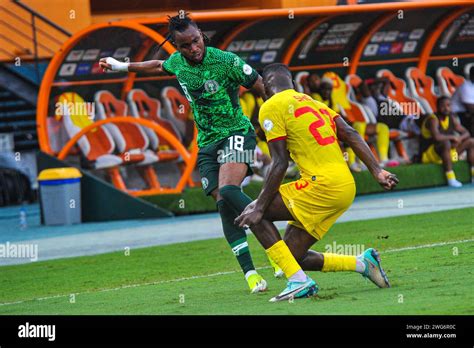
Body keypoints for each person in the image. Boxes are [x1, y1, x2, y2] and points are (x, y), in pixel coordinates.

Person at [99, 13, 283, 293]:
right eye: (185, 45)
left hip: (238, 133)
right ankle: (251, 275)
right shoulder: (177, 63)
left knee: (230, 190)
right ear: (177, 45)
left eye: (196, 41)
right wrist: (120, 67)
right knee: (223, 202)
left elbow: (261, 86)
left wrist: (274, 127)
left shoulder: (226, 62)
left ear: (201, 35)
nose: (193, 49)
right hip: (207, 143)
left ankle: (277, 252)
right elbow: (157, 65)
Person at [234, 63, 399, 302]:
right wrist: (377, 171)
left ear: (267, 86)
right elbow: (350, 133)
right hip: (345, 186)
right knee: (293, 256)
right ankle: (363, 264)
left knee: (254, 212)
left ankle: (298, 282)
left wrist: (260, 206)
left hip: (321, 185)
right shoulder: (315, 103)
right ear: (291, 84)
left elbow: (279, 162)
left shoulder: (270, 106)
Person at [420, 96, 474, 187]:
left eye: (448, 105)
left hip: (451, 154)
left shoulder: (451, 118)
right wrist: (453, 137)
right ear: (437, 107)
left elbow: (466, 133)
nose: (446, 108)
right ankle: (451, 178)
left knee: (471, 141)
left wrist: (459, 139)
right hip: (431, 155)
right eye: (443, 106)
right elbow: (437, 137)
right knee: (446, 143)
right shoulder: (433, 119)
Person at [451, 65, 474, 136]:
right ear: (471, 76)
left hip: (467, 114)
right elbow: (471, 108)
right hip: (457, 115)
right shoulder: (465, 87)